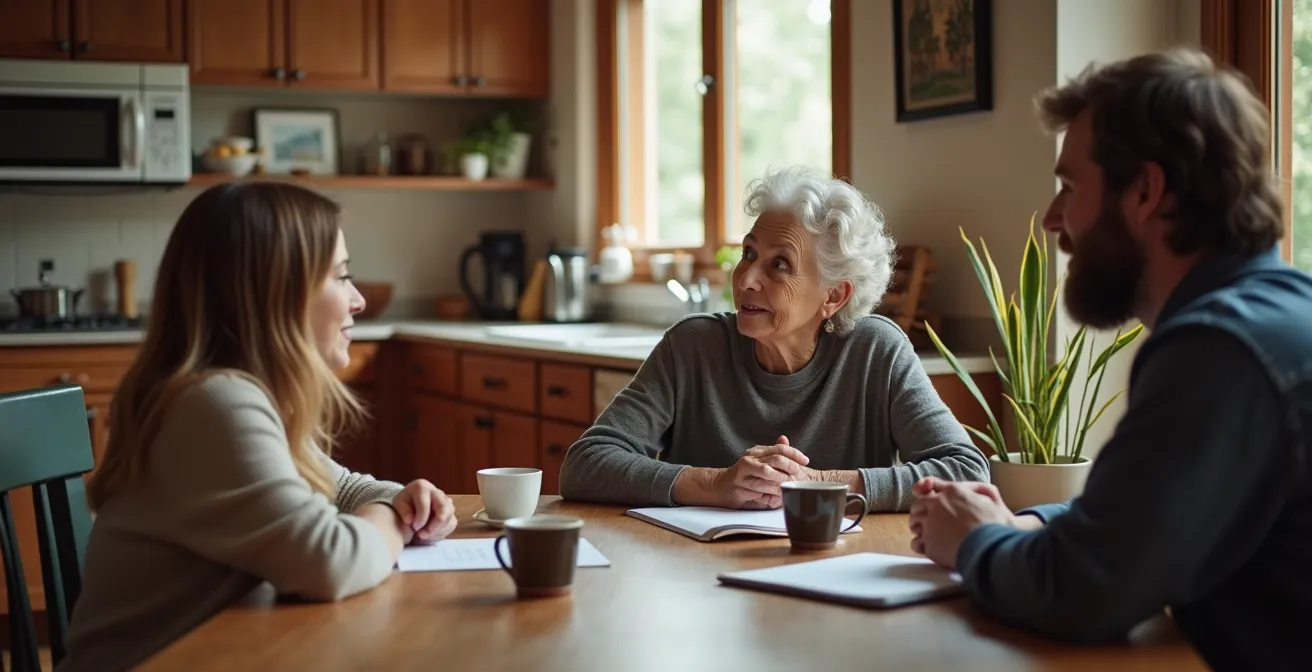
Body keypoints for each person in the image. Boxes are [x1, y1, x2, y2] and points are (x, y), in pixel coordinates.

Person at [909, 47, 1312, 670]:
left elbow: (1085, 590)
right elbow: (1147, 506)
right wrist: (1030, 522)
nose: (1052, 219)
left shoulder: (1220, 350)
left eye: (1069, 187)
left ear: (1146, 191)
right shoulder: (1277, 313)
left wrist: (975, 541)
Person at [59, 183, 458, 671]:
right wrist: (397, 520)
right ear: (276, 293)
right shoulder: (213, 406)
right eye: (340, 277)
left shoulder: (245, 394)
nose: (356, 299)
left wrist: (397, 498)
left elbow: (346, 487)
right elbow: (329, 563)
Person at [559, 166, 989, 512]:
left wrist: (819, 483)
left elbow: (967, 472)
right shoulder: (692, 347)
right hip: (698, 576)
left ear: (834, 296)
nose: (746, 279)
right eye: (748, 253)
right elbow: (585, 464)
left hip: (839, 571)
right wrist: (715, 483)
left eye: (779, 265)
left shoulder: (877, 352)